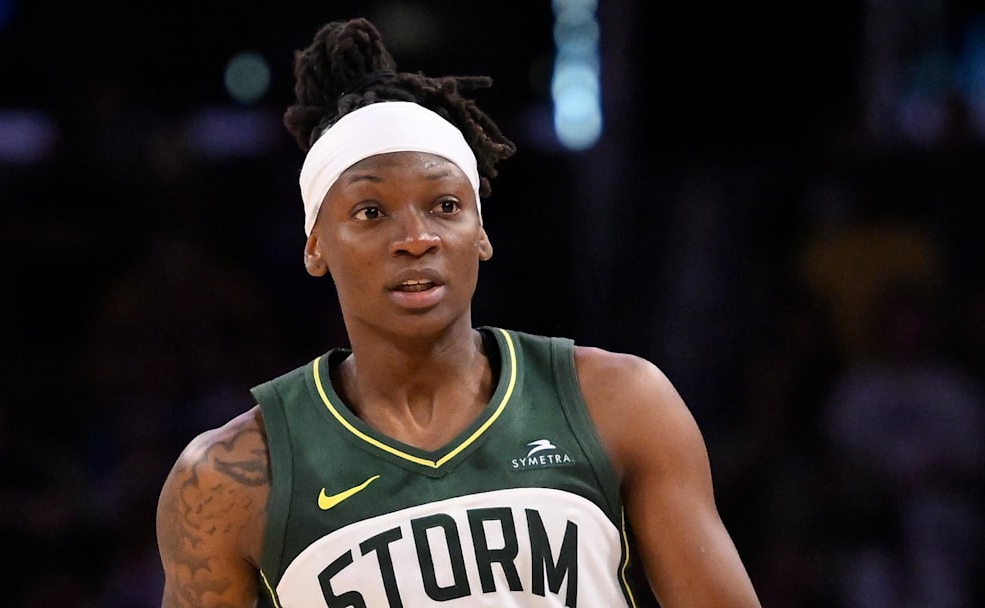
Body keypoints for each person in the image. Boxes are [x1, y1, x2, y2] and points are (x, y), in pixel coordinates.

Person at [156, 17, 762, 608]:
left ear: (480, 233)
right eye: (371, 211)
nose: (416, 238)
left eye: (445, 205)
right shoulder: (227, 479)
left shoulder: (618, 402)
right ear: (315, 242)